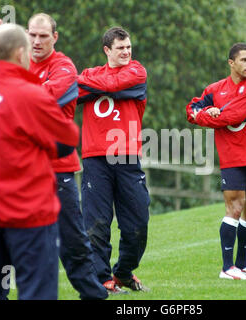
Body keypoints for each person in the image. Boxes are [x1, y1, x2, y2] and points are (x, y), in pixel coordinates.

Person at [0, 23, 80, 299]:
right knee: (36, 291)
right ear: (19, 53)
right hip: (29, 215)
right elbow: (67, 139)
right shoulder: (31, 94)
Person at [25, 13, 108, 300]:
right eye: (32, 35)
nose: (36, 41)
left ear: (55, 37)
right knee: (7, 237)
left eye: (43, 36)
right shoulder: (17, 64)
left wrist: (11, 90)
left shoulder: (63, 67)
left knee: (73, 242)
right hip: (21, 171)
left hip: (56, 171)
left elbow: (43, 99)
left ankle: (94, 295)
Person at [186, 43, 246, 280]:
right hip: (232, 156)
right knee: (235, 207)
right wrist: (206, 112)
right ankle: (227, 268)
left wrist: (214, 113)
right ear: (231, 63)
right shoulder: (215, 89)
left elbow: (232, 115)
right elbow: (191, 109)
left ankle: (242, 264)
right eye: (244, 60)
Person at [77, 26, 150, 293]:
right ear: (107, 50)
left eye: (129, 47)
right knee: (96, 223)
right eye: (120, 48)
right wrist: (86, 82)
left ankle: (123, 271)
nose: (127, 52)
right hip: (96, 158)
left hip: (128, 157)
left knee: (138, 223)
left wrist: (84, 82)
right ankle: (102, 278)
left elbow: (110, 85)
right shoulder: (92, 74)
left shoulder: (137, 71)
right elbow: (74, 94)